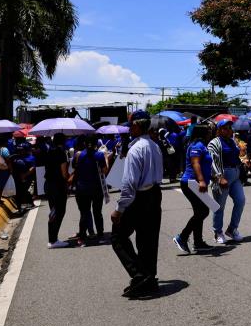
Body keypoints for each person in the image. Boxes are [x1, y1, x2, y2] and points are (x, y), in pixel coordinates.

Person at [110, 110, 164, 297]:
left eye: (131, 125)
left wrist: (119, 209)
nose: (129, 129)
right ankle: (149, 276)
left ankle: (140, 274)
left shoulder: (136, 149)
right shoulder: (154, 146)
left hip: (139, 197)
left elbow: (129, 184)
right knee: (148, 239)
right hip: (155, 194)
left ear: (137, 125)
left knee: (117, 237)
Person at [173, 124, 213, 254]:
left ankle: (198, 242)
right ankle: (182, 237)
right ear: (202, 133)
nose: (210, 134)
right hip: (191, 183)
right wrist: (201, 180)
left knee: (199, 212)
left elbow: (204, 165)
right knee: (203, 211)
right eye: (208, 132)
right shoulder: (197, 146)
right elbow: (195, 163)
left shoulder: (201, 145)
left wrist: (213, 177)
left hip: (196, 183)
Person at [209, 119, 245, 243]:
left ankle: (232, 229)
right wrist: (219, 177)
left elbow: (235, 157)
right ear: (219, 130)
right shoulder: (214, 142)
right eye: (225, 128)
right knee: (219, 206)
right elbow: (212, 161)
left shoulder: (232, 141)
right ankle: (217, 232)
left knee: (240, 201)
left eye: (230, 127)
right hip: (222, 176)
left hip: (235, 175)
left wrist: (243, 163)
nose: (229, 130)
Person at [71, 135, 108, 243]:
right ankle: (100, 234)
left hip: (82, 188)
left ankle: (82, 236)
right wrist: (106, 158)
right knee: (97, 212)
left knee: (84, 212)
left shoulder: (78, 155)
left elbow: (74, 167)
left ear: (84, 144)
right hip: (97, 188)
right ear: (96, 144)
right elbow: (104, 171)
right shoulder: (100, 155)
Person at [45, 134, 71, 249]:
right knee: (59, 211)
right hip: (58, 185)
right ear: (63, 141)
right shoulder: (61, 153)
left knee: (54, 210)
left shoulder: (49, 151)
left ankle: (53, 239)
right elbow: (64, 173)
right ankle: (53, 240)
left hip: (49, 184)